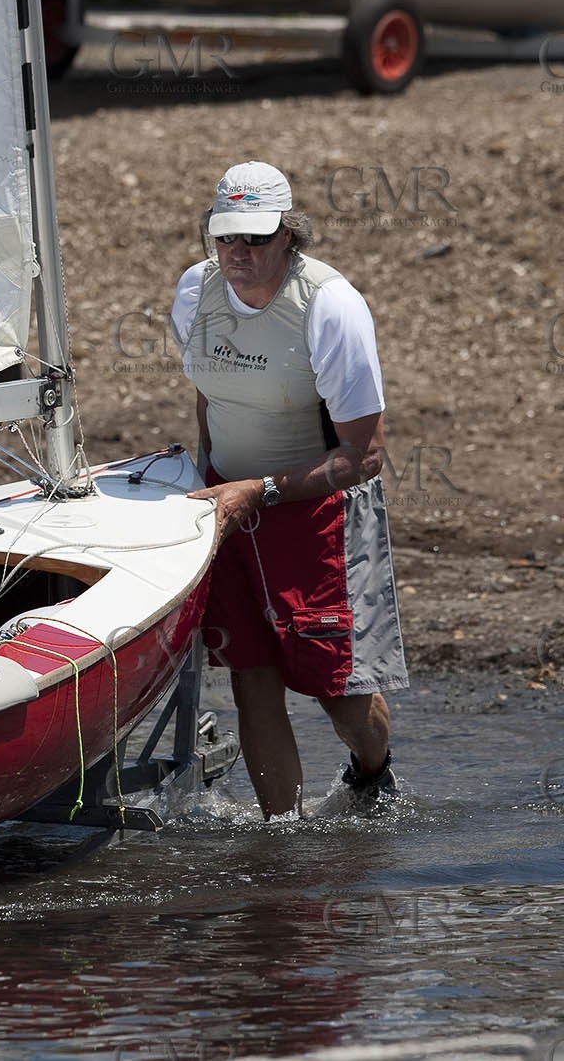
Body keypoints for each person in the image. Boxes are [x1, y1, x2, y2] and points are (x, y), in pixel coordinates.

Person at [171, 160, 409, 820]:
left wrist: (263, 490)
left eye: (255, 238)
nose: (238, 252)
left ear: (288, 234)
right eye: (225, 237)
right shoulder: (195, 292)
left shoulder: (330, 306)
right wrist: (215, 480)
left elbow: (365, 456)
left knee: (338, 692)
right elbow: (210, 395)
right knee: (251, 677)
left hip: (316, 513)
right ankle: (283, 839)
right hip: (228, 506)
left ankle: (373, 772)